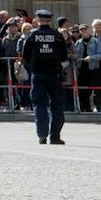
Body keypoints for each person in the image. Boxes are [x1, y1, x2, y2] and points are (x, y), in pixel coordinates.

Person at [22, 9, 69, 144]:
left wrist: (33, 69)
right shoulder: (57, 35)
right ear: (50, 20)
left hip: (38, 74)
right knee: (57, 106)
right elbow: (65, 58)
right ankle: (55, 136)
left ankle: (42, 135)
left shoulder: (32, 35)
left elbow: (25, 57)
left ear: (38, 20)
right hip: (55, 74)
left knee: (40, 105)